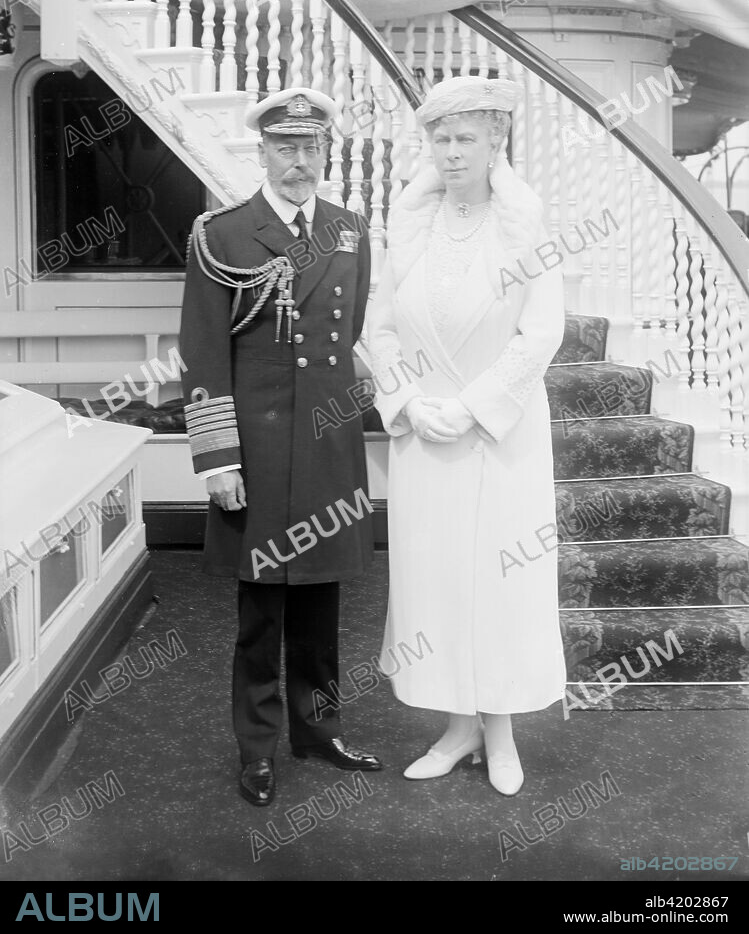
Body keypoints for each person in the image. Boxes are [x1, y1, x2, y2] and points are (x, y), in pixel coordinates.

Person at [179, 87, 381, 807]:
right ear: (261, 152)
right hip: (256, 450)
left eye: (311, 147)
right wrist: (218, 458)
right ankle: (258, 747)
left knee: (323, 601)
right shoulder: (223, 234)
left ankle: (318, 731)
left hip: (327, 441)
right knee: (261, 614)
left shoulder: (349, 229)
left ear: (325, 152)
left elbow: (349, 333)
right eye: (285, 147)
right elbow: (203, 352)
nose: (300, 161)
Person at [368, 75, 567, 795]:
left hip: (499, 437)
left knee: (500, 582)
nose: (450, 152)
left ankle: (501, 730)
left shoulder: (524, 226)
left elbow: (540, 333)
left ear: (495, 143)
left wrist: (474, 405)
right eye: (440, 139)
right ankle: (458, 727)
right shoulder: (407, 226)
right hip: (425, 438)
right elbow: (378, 329)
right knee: (436, 582)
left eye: (465, 139)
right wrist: (407, 400)